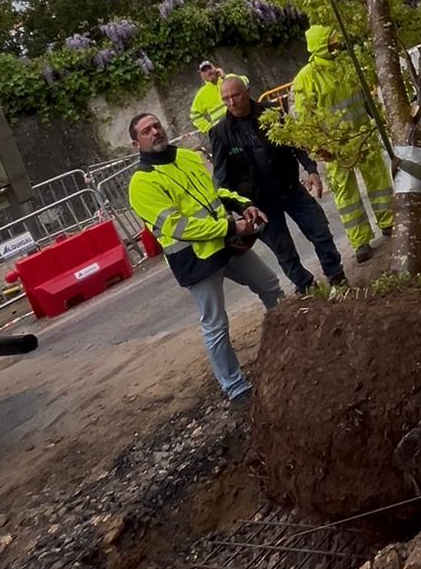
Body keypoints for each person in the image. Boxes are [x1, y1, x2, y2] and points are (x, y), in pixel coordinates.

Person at [127, 110, 282, 402]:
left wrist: (243, 204)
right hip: (196, 259)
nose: (155, 132)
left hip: (227, 243)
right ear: (136, 144)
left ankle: (291, 341)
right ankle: (235, 387)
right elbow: (177, 226)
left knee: (270, 285)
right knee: (215, 324)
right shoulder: (141, 184)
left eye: (156, 125)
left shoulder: (187, 156)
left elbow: (218, 191)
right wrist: (229, 226)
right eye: (146, 131)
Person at [210, 75, 347, 293]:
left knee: (320, 231)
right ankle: (307, 287)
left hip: (291, 189)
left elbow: (296, 143)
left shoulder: (272, 112)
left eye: (235, 95)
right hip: (259, 204)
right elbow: (222, 179)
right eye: (225, 99)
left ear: (246, 91)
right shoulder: (220, 133)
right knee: (283, 250)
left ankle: (337, 278)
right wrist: (241, 208)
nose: (231, 103)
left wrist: (311, 170)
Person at [289, 25, 394, 262]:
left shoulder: (348, 65)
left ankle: (388, 222)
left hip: (363, 136)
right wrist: (317, 149)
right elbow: (301, 120)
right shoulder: (306, 78)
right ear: (321, 44)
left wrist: (380, 120)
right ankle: (360, 241)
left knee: (378, 181)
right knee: (346, 194)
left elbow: (367, 97)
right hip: (334, 148)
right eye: (331, 40)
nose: (337, 43)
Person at [190, 60, 248, 140]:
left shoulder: (229, 78)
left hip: (244, 121)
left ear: (216, 68)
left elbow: (245, 82)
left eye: (209, 68)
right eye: (204, 70)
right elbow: (194, 116)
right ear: (201, 75)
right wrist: (210, 129)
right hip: (226, 133)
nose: (208, 71)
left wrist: (225, 77)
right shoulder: (201, 94)